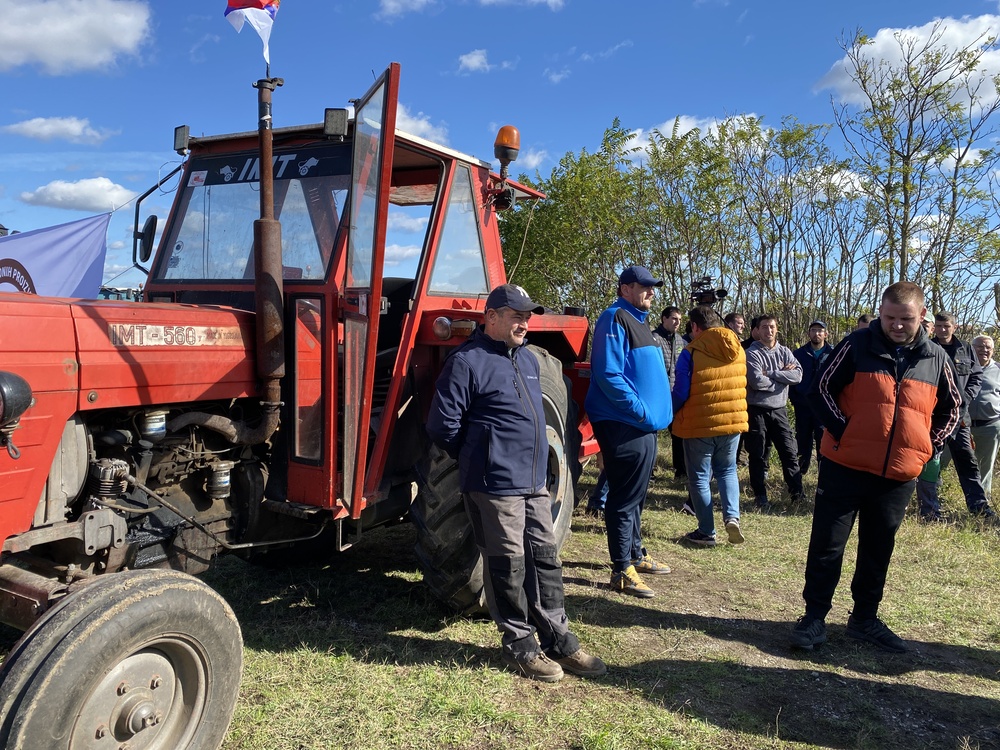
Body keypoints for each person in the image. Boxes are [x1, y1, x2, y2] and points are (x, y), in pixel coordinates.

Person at [427, 283, 606, 682]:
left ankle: (559, 639)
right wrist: (482, 457)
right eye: (516, 316)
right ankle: (521, 646)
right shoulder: (467, 362)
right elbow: (443, 426)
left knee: (545, 558)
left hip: (534, 482)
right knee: (507, 564)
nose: (525, 323)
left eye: (527, 316)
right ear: (492, 317)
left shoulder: (526, 360)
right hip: (494, 484)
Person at [791, 282, 961, 653]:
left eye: (906, 319)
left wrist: (925, 446)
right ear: (880, 313)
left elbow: (953, 408)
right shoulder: (855, 346)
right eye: (890, 318)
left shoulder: (936, 358)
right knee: (827, 546)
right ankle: (813, 618)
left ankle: (864, 619)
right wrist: (843, 431)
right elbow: (819, 389)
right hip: (844, 465)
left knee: (878, 548)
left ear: (922, 316)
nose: (897, 325)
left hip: (898, 475)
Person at [587, 265, 673, 598]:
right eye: (644, 286)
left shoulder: (639, 320)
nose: (651, 292)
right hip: (624, 423)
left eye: (653, 287)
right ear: (625, 288)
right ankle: (622, 569)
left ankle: (636, 553)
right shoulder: (614, 318)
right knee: (622, 498)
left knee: (635, 495)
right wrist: (639, 411)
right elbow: (608, 374)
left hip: (643, 426)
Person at [672, 305, 749, 546]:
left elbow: (681, 391)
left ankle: (707, 531)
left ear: (695, 327)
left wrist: (669, 413)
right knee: (727, 470)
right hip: (732, 422)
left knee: (699, 478)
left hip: (700, 424)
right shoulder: (738, 349)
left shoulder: (691, 352)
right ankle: (732, 517)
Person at [915, 312, 995, 520]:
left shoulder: (966, 349)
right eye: (939, 326)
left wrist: (964, 399)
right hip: (934, 418)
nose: (942, 330)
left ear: (955, 327)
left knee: (967, 461)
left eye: (946, 326)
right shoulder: (927, 348)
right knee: (931, 460)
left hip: (960, 418)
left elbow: (976, 376)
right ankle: (929, 510)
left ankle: (979, 507)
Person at [745, 314, 804, 509]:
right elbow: (755, 381)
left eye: (771, 327)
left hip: (779, 410)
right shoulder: (752, 353)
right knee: (758, 454)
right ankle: (760, 495)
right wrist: (782, 379)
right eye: (764, 327)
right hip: (757, 411)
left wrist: (770, 373)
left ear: (776, 329)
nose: (768, 331)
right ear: (757, 330)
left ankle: (797, 494)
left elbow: (797, 376)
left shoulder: (785, 351)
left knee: (789, 452)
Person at [790, 321, 834, 475]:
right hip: (803, 405)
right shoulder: (798, 354)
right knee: (803, 439)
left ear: (826, 334)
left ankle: (824, 473)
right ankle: (800, 473)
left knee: (824, 440)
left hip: (824, 406)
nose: (817, 334)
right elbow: (791, 378)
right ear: (808, 334)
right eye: (813, 330)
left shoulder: (833, 354)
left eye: (820, 330)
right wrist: (795, 398)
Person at [651, 306, 687, 480]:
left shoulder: (680, 340)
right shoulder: (653, 338)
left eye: (679, 320)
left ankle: (681, 470)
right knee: (652, 433)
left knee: (679, 433)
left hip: (676, 394)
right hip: (657, 393)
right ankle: (648, 470)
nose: (677, 322)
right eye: (673, 318)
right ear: (663, 319)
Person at [970, 335, 1000, 501]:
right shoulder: (962, 367)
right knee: (942, 460)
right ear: (972, 348)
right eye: (979, 346)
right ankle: (934, 496)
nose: (984, 350)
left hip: (990, 426)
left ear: (993, 350)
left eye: (988, 347)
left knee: (985, 466)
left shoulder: (999, 369)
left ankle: (982, 501)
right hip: (961, 426)